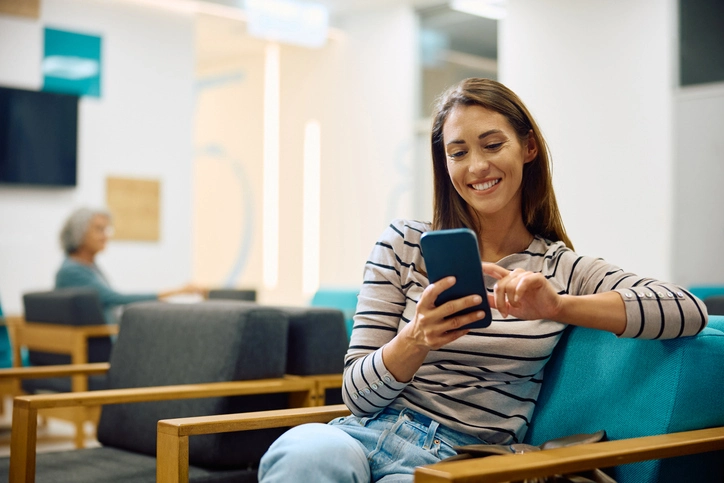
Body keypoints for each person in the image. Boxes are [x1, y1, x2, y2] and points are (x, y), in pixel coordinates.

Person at [258, 78, 708, 482]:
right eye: (458, 153)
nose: (476, 167)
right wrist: (417, 338)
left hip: (457, 461)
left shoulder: (560, 269)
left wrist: (557, 308)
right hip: (360, 435)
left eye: (492, 145)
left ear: (528, 147)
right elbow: (357, 395)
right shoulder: (404, 244)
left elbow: (687, 310)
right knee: (305, 457)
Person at [56, 207, 205, 323]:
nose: (105, 236)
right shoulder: (72, 270)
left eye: (106, 230)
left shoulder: (89, 266)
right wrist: (177, 291)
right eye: (99, 229)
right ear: (79, 233)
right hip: (98, 343)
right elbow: (115, 298)